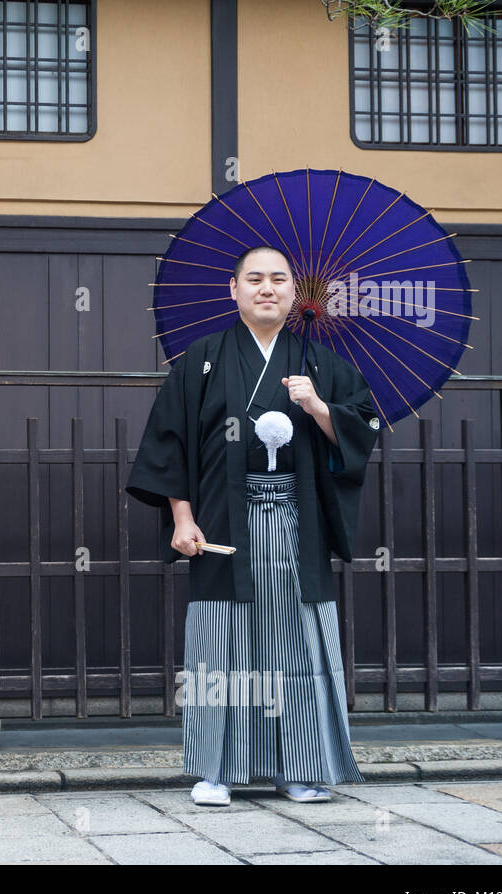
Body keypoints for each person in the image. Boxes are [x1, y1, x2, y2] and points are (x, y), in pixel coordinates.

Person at [126, 245, 379, 807]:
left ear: (295, 294)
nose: (267, 288)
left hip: (297, 522)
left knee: (297, 645)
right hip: (223, 526)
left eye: (279, 280)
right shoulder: (202, 359)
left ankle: (301, 770)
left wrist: (318, 408)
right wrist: (182, 519)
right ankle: (216, 771)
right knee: (222, 647)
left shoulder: (323, 367)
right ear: (233, 288)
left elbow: (362, 435)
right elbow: (170, 444)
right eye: (255, 279)